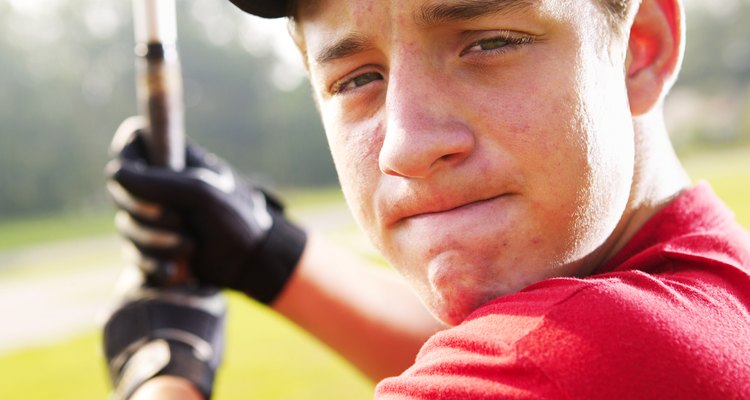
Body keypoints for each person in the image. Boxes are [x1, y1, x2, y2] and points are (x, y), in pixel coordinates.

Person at [102, 0, 750, 398]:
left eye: (488, 41)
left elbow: (539, 364)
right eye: (357, 78)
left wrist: (161, 371)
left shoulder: (568, 365)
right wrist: (273, 257)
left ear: (641, 46)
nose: (405, 147)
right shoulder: (714, 278)